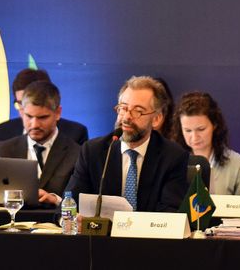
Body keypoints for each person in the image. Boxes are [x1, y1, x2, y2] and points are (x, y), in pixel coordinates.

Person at [66, 76, 188, 212]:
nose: (127, 117)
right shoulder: (93, 151)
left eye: (138, 111)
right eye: (123, 108)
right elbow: (69, 204)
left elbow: (171, 214)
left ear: (156, 119)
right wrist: (73, 219)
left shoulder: (173, 157)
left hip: (146, 233)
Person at [0, 81, 79, 206]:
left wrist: (56, 201)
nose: (35, 125)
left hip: (55, 221)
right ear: (21, 112)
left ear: (58, 113)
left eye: (42, 117)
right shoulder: (2, 150)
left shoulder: (76, 153)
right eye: (29, 116)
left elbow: (81, 205)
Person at [173, 91, 240, 196]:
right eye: (188, 130)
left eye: (201, 129)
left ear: (215, 125)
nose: (194, 137)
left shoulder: (236, 163)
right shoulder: (173, 162)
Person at [0, 68, 88, 149]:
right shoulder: (3, 131)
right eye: (21, 104)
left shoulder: (75, 133)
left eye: (34, 102)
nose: (35, 124)